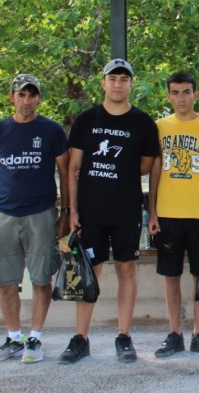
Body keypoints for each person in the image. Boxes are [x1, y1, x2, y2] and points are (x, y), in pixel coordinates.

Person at [59, 59, 160, 364]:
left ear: (131, 84)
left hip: (126, 210)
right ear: (103, 82)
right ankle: (80, 338)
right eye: (112, 78)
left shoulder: (142, 122)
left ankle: (124, 336)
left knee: (126, 270)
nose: (118, 84)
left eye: (123, 79)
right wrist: (72, 210)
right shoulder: (86, 120)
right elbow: (73, 168)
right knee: (89, 272)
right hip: (91, 211)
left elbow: (145, 165)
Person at [147, 72, 199, 358]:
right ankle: (175, 333)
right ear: (168, 96)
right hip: (167, 214)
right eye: (175, 92)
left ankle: (198, 333)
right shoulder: (159, 127)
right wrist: (152, 212)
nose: (181, 98)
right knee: (171, 275)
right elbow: (155, 172)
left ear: (196, 95)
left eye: (186, 92)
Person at [0, 74, 69, 363]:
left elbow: (66, 173)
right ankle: (14, 337)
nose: (27, 101)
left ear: (39, 98)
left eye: (32, 95)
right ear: (12, 97)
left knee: (41, 279)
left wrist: (66, 212)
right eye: (21, 95)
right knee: (5, 282)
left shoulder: (51, 130)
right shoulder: (2, 129)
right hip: (5, 215)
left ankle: (35, 338)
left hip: (41, 214)